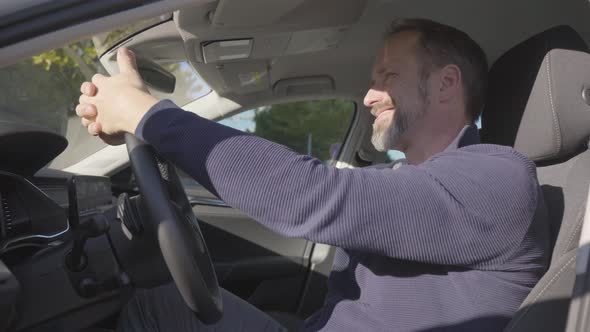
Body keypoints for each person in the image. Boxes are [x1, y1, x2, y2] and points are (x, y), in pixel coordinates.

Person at [76, 19, 549, 331]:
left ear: (446, 83)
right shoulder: (422, 181)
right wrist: (143, 123)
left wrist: (149, 116)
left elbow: (318, 196)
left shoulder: (499, 178)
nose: (369, 96)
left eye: (387, 76)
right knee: (160, 302)